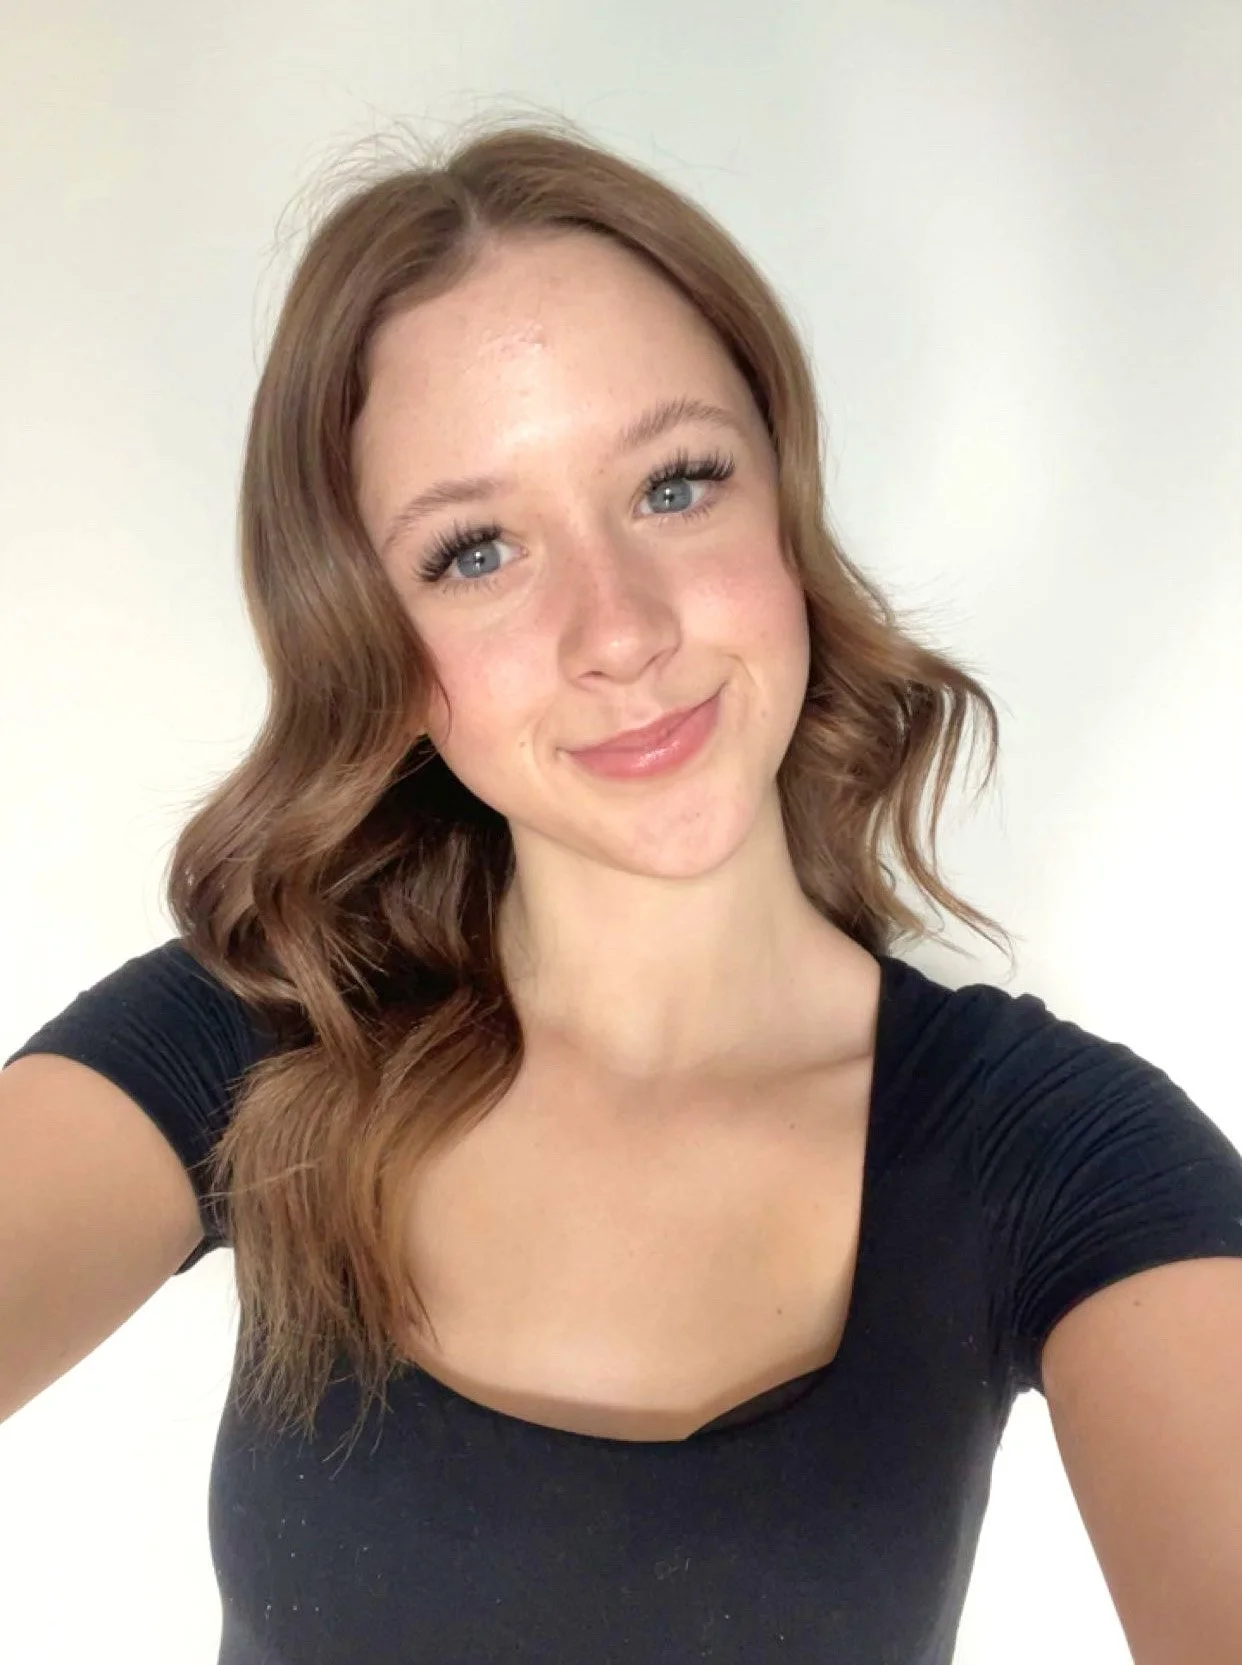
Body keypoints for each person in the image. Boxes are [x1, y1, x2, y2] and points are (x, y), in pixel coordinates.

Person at [3, 114, 1241, 1665]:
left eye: (672, 484)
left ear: (781, 505)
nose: (617, 629)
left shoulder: (1064, 1159)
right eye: (474, 552)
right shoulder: (259, 1032)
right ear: (375, 655)